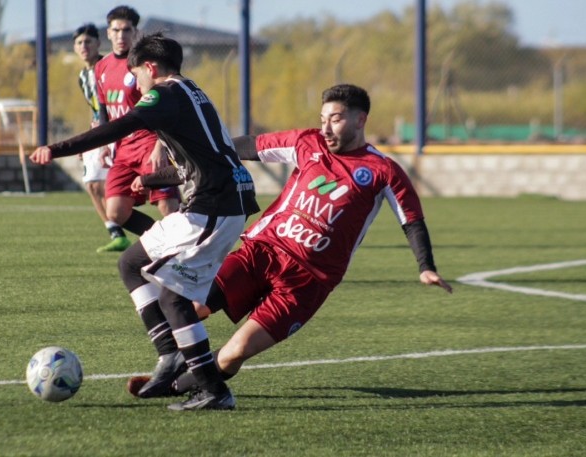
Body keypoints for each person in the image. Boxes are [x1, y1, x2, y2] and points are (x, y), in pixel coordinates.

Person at [128, 83, 453, 399]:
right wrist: (159, 176)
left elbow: (411, 219)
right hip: (261, 253)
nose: (326, 128)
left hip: (308, 282)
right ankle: (170, 367)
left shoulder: (383, 170)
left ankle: (179, 385)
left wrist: (426, 266)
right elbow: (236, 149)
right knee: (192, 307)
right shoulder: (307, 143)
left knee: (235, 353)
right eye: (323, 119)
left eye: (336, 119)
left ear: (360, 119)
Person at [30, 32, 259, 411]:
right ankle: (171, 356)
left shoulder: (165, 94)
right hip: (220, 202)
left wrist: (56, 148)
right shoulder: (193, 92)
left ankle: (213, 390)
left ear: (150, 67)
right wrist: (153, 179)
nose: (136, 83)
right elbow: (202, 159)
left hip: (213, 207)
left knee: (172, 296)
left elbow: (117, 128)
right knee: (134, 265)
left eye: (136, 75)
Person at [92, 5, 180, 252]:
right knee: (116, 212)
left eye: (126, 30)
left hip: (148, 142)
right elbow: (104, 109)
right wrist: (105, 144)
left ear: (136, 32)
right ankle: (165, 244)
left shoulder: (146, 65)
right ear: (108, 33)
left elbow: (163, 106)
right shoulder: (101, 68)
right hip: (123, 148)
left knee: (167, 207)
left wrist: (159, 146)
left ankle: (189, 248)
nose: (121, 35)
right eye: (116, 30)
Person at [72, 23, 130, 252]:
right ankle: (116, 233)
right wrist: (87, 138)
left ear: (98, 43)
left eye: (88, 41)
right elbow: (95, 108)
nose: (84, 46)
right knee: (93, 185)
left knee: (127, 187)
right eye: (79, 43)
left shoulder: (108, 68)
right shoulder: (83, 76)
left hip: (118, 131)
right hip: (99, 133)